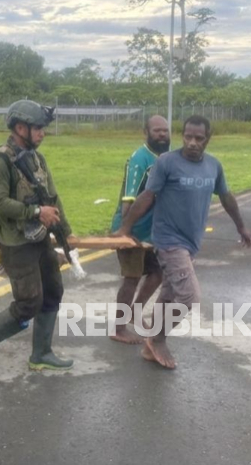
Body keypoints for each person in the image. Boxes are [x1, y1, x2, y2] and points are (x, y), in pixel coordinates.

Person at [115, 115, 251, 369]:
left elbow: (226, 197)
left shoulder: (213, 166)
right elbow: (147, 196)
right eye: (188, 137)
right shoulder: (167, 162)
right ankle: (157, 339)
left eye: (198, 138)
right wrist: (125, 227)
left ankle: (150, 346)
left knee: (169, 294)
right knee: (189, 296)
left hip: (191, 242)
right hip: (168, 240)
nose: (192, 142)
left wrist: (241, 226)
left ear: (208, 139)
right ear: (182, 136)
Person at [0, 99, 77, 373]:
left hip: (40, 239)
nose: (43, 133)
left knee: (53, 292)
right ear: (20, 128)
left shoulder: (36, 158)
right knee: (29, 302)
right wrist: (36, 212)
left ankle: (41, 354)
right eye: (38, 128)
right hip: (15, 243)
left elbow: (52, 198)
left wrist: (66, 232)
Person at [109, 115, 169, 344]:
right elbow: (129, 197)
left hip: (152, 232)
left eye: (165, 130)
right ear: (146, 132)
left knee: (159, 272)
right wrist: (125, 230)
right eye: (157, 130)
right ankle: (118, 328)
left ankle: (135, 310)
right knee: (132, 278)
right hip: (131, 228)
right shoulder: (139, 159)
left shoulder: (166, 158)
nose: (162, 134)